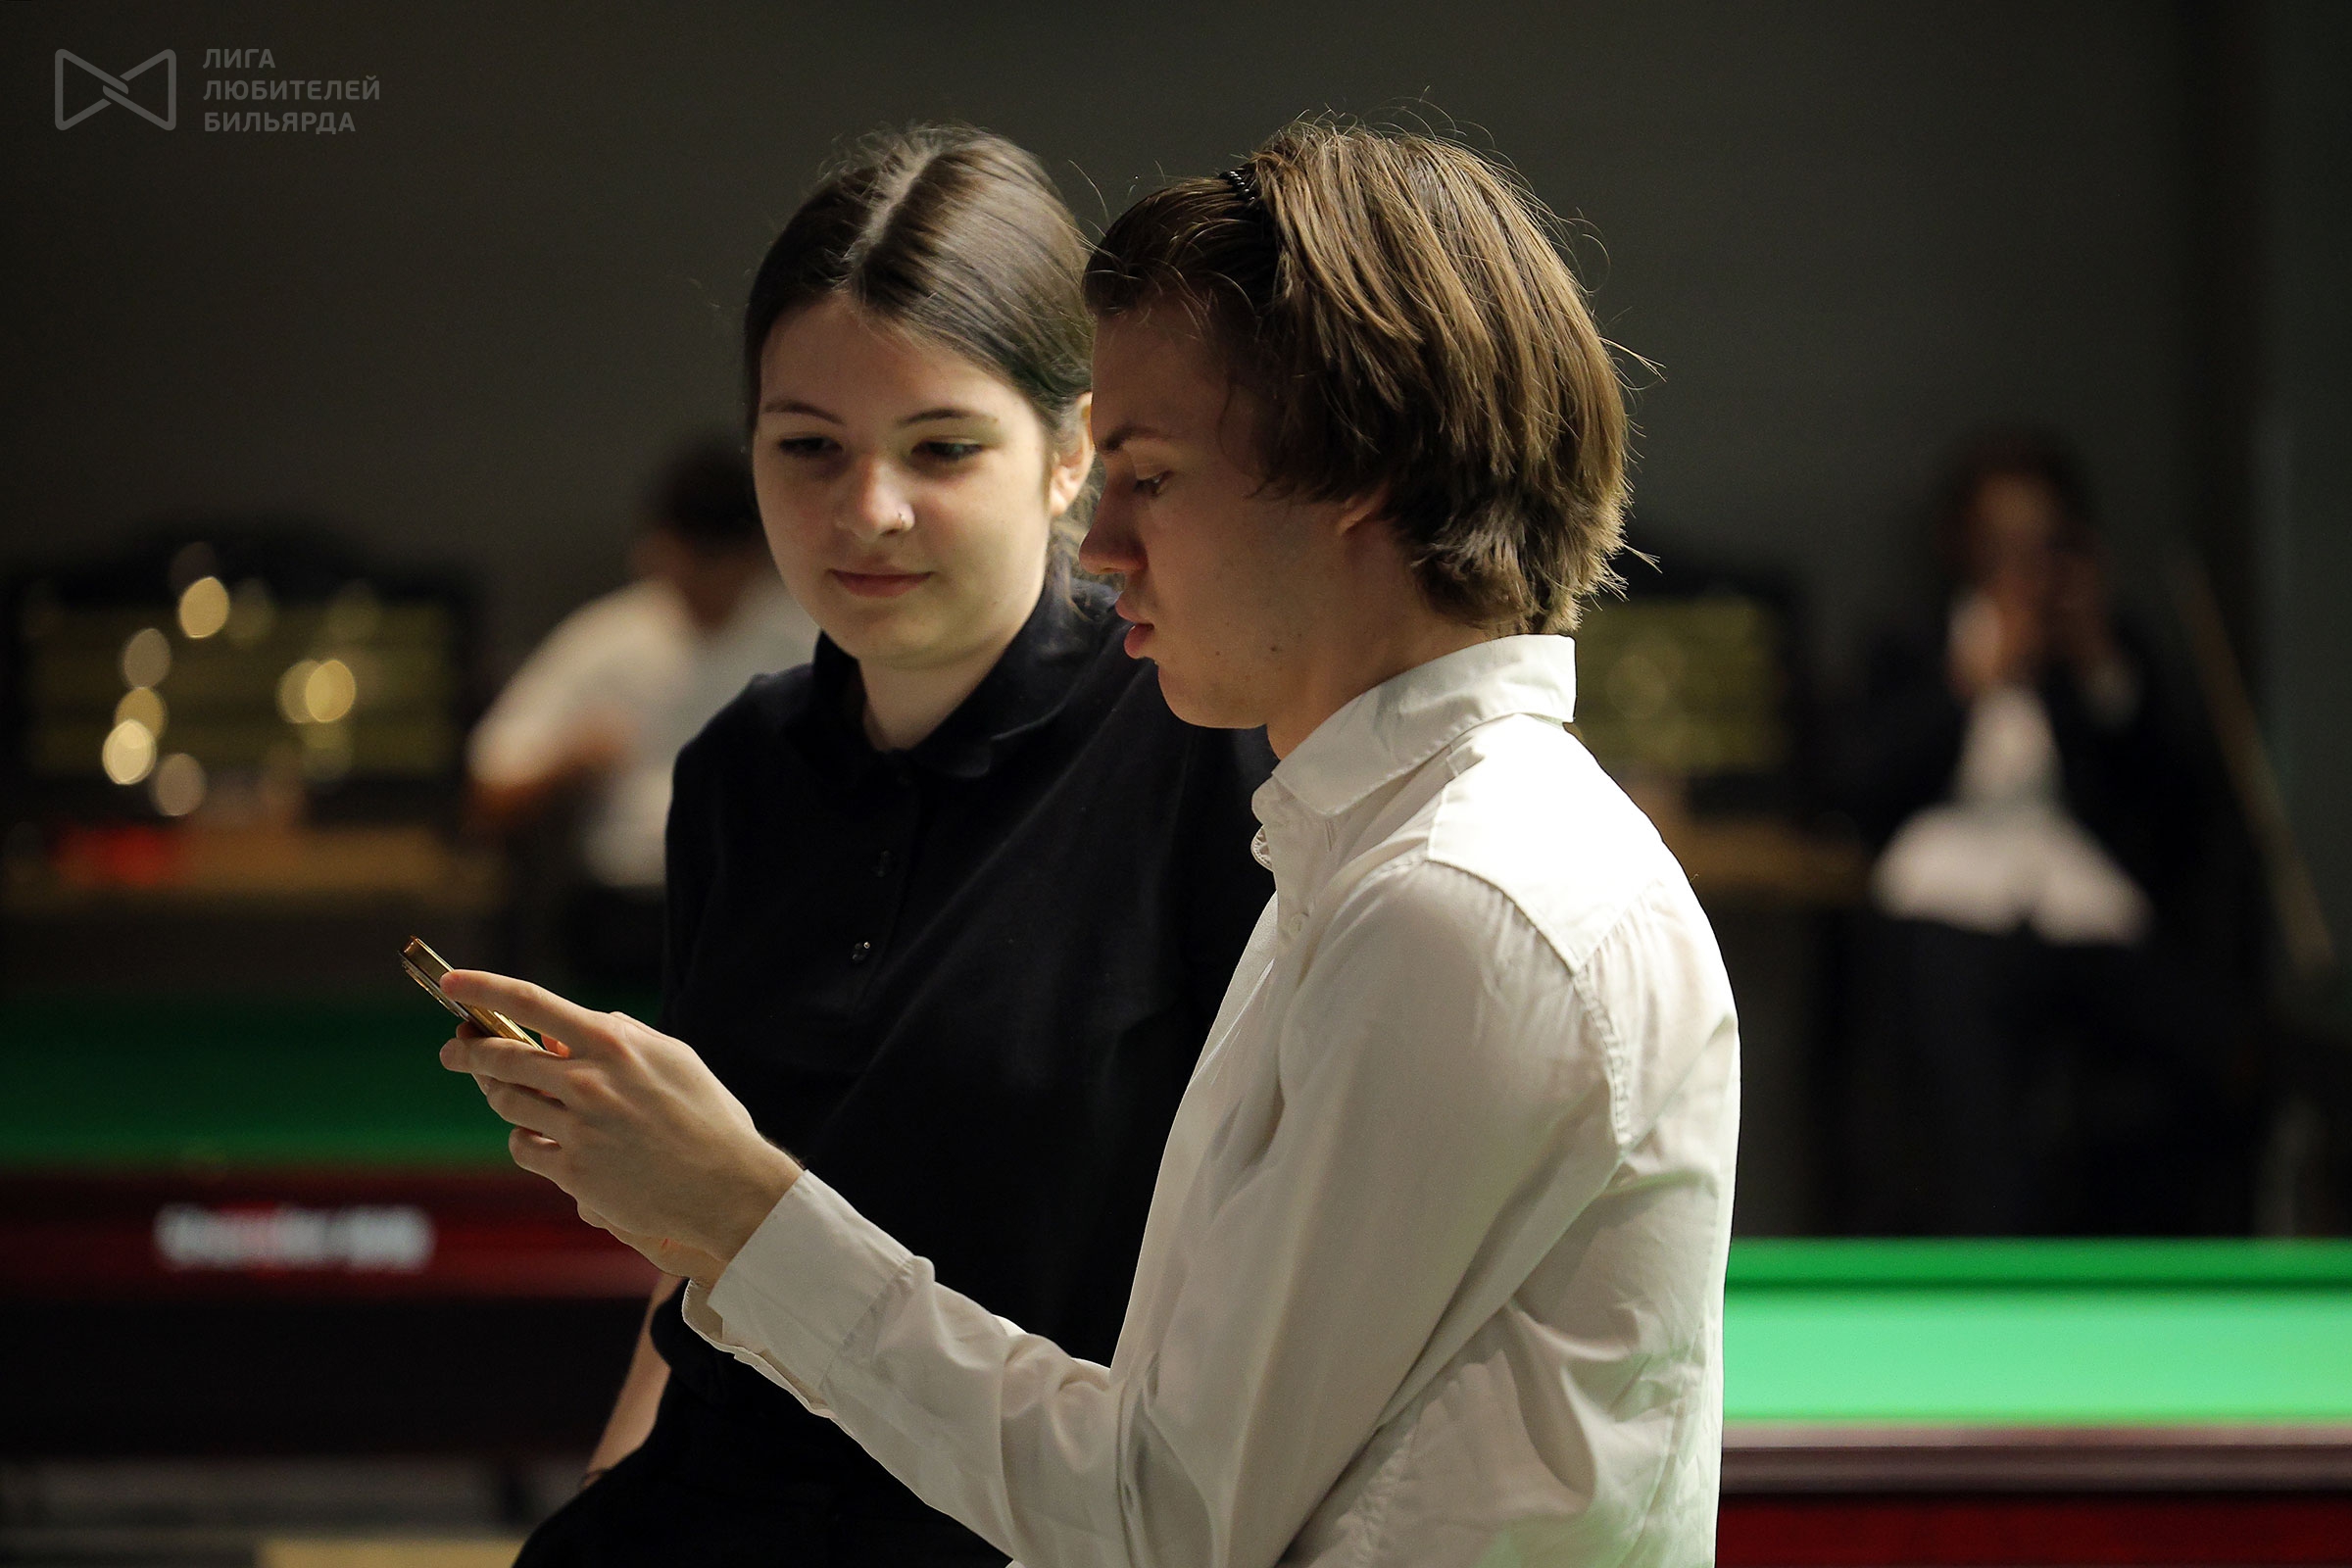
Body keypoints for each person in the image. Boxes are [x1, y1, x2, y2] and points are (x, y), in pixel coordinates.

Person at [447, 121, 1740, 1568]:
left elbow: (1160, 1517)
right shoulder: (1365, 842)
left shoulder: (1450, 898)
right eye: (806, 445)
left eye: (1150, 476)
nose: (1107, 545)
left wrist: (748, 1216)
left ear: (1355, 473)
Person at [508, 128, 1276, 1566]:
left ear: (1069, 453)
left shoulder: (1201, 741)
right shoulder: (737, 769)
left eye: (942, 448)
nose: (867, 510)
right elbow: (710, 1237)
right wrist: (610, 1487)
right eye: (809, 447)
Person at [1841, 429, 2236, 1233]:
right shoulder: (1913, 643)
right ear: (1961, 544)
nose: (2021, 565)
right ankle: (1987, 1250)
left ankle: (2170, 1252)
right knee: (1952, 1035)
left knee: (2202, 1036)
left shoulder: (2105, 651)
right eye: (2000, 543)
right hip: (1947, 905)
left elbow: (2175, 807)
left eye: (2041, 544)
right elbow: (1856, 783)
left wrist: (2098, 667)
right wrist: (1967, 685)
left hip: (2085, 905)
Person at [467, 439, 820, 987]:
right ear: (655, 549)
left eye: (719, 562)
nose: (703, 581)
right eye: (689, 558)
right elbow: (491, 784)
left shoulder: (803, 640)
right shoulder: (606, 640)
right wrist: (569, 758)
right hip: (627, 906)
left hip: (765, 897)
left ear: (756, 555)